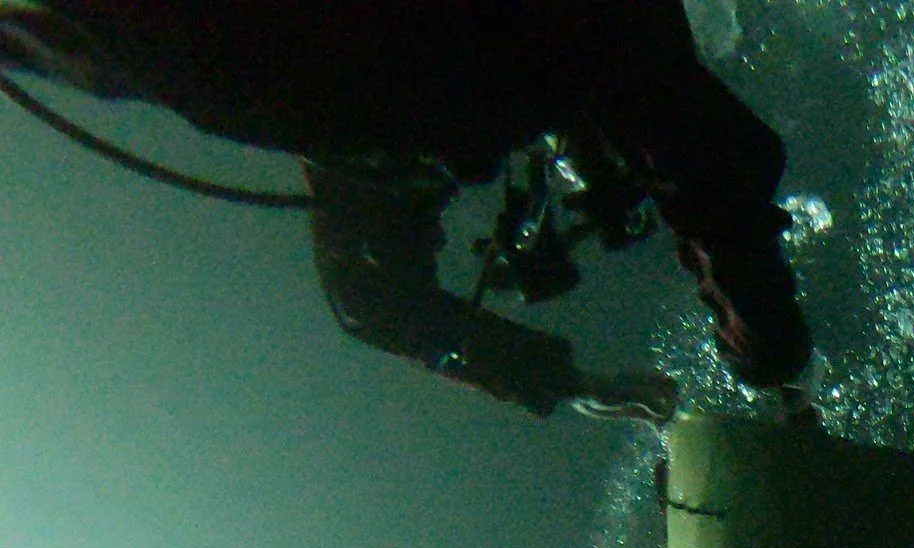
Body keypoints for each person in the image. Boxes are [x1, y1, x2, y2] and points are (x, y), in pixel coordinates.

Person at [0, 0, 810, 419]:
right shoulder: (557, 52)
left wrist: (570, 381)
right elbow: (692, 145)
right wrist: (759, 333)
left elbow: (374, 296)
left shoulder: (380, 118)